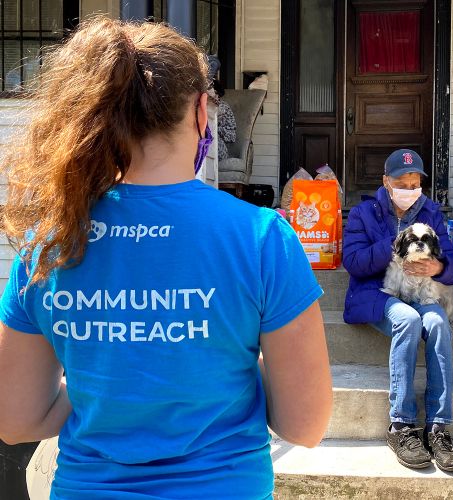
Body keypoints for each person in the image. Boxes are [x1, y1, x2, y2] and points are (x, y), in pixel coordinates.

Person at [0, 18, 332, 499]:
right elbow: (305, 425)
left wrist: (106, 375)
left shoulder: (47, 243)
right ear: (202, 113)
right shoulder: (262, 238)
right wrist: (220, 361)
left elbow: (16, 420)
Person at [343, 149, 453, 472]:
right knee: (408, 319)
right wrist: (395, 244)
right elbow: (353, 263)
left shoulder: (433, 213)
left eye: (414, 183)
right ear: (386, 181)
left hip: (424, 292)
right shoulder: (363, 213)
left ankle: (439, 427)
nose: (409, 189)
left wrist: (439, 266)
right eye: (402, 182)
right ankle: (402, 425)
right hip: (377, 293)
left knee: (438, 323)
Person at [211, 78, 238, 162]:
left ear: (216, 93)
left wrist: (215, 128)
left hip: (219, 149)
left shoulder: (222, 107)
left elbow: (231, 136)